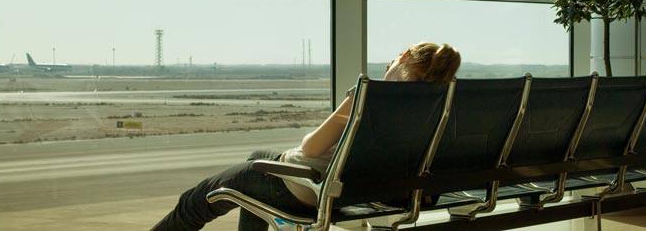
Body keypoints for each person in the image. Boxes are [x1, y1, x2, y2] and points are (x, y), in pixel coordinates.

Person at [152, 42, 461, 231]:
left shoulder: (367, 97)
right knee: (255, 158)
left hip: (301, 184)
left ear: (404, 55)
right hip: (347, 189)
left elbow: (311, 147)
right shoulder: (428, 112)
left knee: (194, 202)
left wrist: (346, 106)